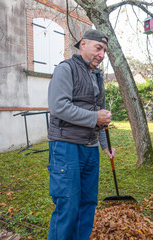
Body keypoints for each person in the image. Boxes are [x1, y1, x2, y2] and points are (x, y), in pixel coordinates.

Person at [47, 29, 116, 240]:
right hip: (66, 146)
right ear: (83, 44)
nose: (102, 55)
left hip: (90, 148)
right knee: (68, 204)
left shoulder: (96, 75)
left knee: (87, 203)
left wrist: (104, 144)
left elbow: (101, 114)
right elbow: (58, 107)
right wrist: (95, 118)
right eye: (98, 48)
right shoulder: (65, 69)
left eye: (104, 51)